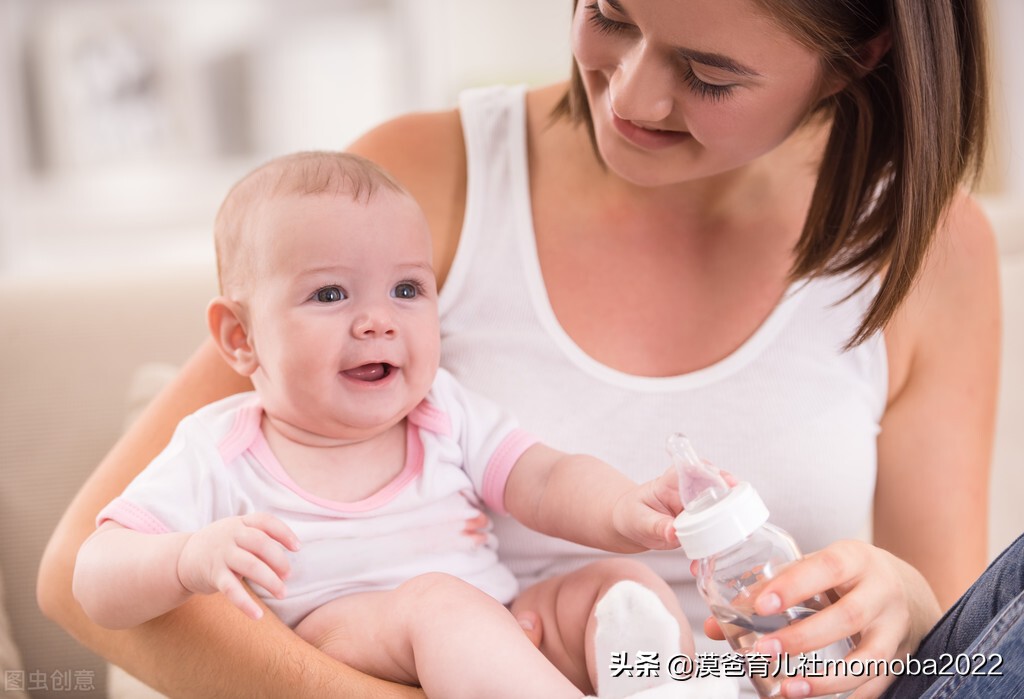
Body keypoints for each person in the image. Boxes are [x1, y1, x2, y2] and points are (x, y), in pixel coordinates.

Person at [37, 0, 1005, 697]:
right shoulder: (408, 192)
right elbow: (84, 573)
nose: (627, 94)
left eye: (707, 74)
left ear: (859, 52)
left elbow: (948, 657)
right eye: (608, 15)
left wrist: (908, 607)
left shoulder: (934, 250)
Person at [71, 151, 734, 699]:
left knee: (619, 588)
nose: (378, 320)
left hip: (505, 631)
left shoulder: (440, 410)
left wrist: (622, 508)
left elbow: (543, 476)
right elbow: (93, 575)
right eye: (331, 294)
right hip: (353, 646)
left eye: (407, 290)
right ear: (240, 337)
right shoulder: (221, 448)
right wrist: (186, 557)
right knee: (438, 603)